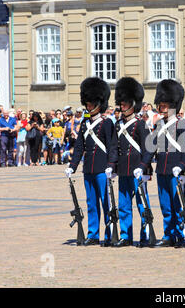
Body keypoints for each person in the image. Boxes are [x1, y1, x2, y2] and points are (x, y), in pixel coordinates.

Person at [137, 79, 185, 248]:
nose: (160, 108)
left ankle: (181, 234)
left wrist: (183, 167)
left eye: (164, 105)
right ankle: (168, 234)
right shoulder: (159, 125)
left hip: (176, 170)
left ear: (172, 105)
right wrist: (142, 167)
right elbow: (150, 149)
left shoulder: (182, 124)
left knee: (178, 206)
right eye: (160, 105)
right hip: (162, 169)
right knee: (165, 206)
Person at [65, 77, 118, 247]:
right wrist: (72, 166)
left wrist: (111, 165)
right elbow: (79, 148)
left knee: (105, 202)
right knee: (91, 203)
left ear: (98, 104)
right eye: (87, 104)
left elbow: (111, 147)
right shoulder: (84, 124)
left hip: (102, 168)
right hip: (88, 168)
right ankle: (93, 233)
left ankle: (109, 233)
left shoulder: (107, 123)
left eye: (90, 104)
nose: (88, 107)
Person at [113, 77, 153, 248]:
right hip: (123, 170)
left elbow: (148, 149)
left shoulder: (141, 124)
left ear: (132, 105)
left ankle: (146, 234)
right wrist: (112, 166)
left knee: (142, 204)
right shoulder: (118, 125)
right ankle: (126, 235)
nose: (122, 107)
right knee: (123, 205)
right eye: (121, 104)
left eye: (125, 104)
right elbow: (114, 148)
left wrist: (143, 167)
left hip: (137, 169)